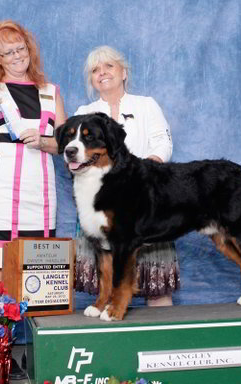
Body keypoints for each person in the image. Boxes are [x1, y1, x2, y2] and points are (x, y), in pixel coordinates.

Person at [0, 20, 66, 379]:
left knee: (39, 275)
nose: (16, 56)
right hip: (0, 195)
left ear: (30, 49)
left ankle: (36, 358)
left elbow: (67, 147)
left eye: (21, 49)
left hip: (41, 195)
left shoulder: (50, 91)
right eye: (8, 52)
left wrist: (45, 142)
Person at [74, 45, 180, 306]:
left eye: (109, 66)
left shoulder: (146, 105)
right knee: (108, 288)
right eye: (95, 70)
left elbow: (162, 144)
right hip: (101, 206)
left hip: (145, 202)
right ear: (91, 79)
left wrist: (142, 175)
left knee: (157, 289)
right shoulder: (82, 113)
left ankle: (162, 341)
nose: (102, 73)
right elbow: (76, 158)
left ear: (123, 72)